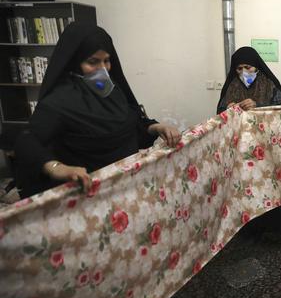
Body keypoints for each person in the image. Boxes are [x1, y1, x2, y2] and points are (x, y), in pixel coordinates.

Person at [14, 22, 181, 198]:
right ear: (74, 62)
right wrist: (57, 168)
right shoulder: (59, 101)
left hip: (127, 189)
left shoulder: (111, 89)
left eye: (107, 61)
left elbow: (128, 125)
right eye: (93, 62)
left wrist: (156, 127)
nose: (103, 69)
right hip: (90, 196)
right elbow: (26, 141)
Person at [217, 46, 281, 246]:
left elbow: (280, 114)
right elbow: (220, 114)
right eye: (238, 69)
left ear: (256, 66)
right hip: (244, 152)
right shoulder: (231, 87)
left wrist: (258, 108)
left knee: (278, 186)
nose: (243, 73)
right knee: (250, 189)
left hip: (269, 148)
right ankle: (253, 231)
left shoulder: (270, 84)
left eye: (247, 67)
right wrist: (229, 110)